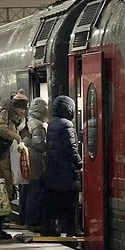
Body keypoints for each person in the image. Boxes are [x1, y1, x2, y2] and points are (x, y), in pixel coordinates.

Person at [0, 92, 28, 240]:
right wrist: (17, 137)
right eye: (21, 108)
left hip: (5, 159)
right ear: (14, 107)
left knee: (4, 194)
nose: (23, 111)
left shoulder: (15, 117)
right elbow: (0, 129)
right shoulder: (4, 112)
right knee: (1, 194)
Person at [43, 95, 82, 237]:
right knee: (70, 202)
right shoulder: (67, 125)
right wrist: (79, 163)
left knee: (55, 202)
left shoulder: (52, 123)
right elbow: (71, 148)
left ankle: (53, 228)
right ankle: (71, 228)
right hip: (66, 171)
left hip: (53, 170)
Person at [19, 97, 49, 230]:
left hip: (25, 161)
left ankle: (23, 218)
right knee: (34, 193)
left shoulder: (26, 121)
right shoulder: (38, 125)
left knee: (25, 192)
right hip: (35, 163)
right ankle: (32, 220)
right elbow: (39, 145)